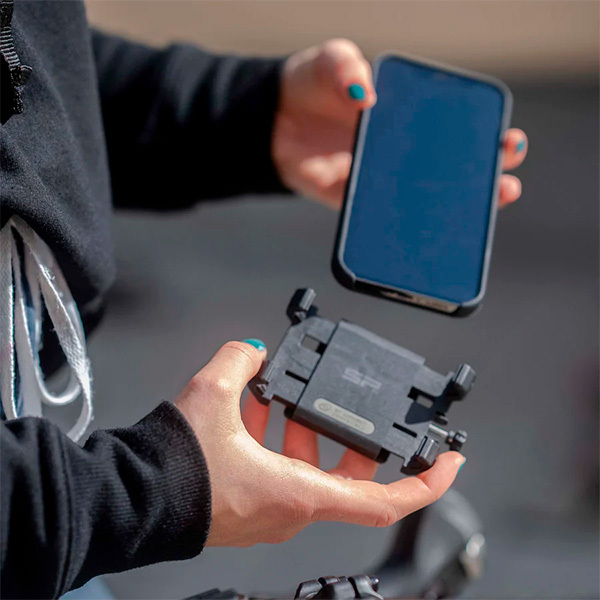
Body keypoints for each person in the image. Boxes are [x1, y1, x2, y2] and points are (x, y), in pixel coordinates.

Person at [0, 1, 529, 598]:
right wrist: (152, 490)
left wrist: (251, 109)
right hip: (39, 517)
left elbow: (31, 57)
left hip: (47, 497)